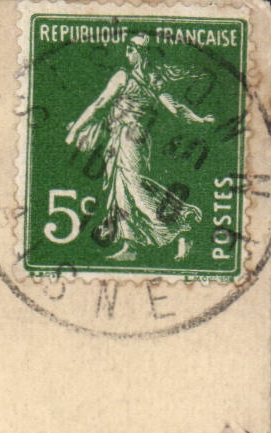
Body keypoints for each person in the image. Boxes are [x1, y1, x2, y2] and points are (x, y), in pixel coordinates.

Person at [64, 33, 214, 262]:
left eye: (130, 50)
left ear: (141, 53)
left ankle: (184, 227)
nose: (126, 54)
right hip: (124, 138)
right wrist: (199, 119)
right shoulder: (153, 79)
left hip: (131, 139)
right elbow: (176, 108)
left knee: (135, 189)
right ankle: (130, 246)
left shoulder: (125, 77)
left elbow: (100, 104)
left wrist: (75, 130)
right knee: (121, 190)